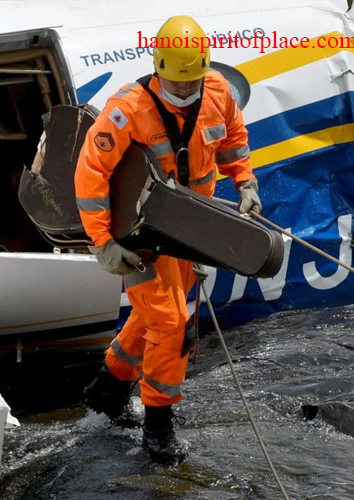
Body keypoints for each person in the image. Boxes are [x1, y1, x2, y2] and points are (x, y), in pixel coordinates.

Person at [73, 15, 261, 465]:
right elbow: (90, 173)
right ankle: (158, 428)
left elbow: (233, 140)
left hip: (191, 230)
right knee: (171, 323)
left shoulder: (218, 94)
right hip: (140, 235)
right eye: (175, 84)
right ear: (158, 67)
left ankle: (109, 387)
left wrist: (246, 182)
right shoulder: (127, 110)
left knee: (160, 314)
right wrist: (102, 243)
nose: (183, 90)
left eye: (191, 81)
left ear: (204, 68)